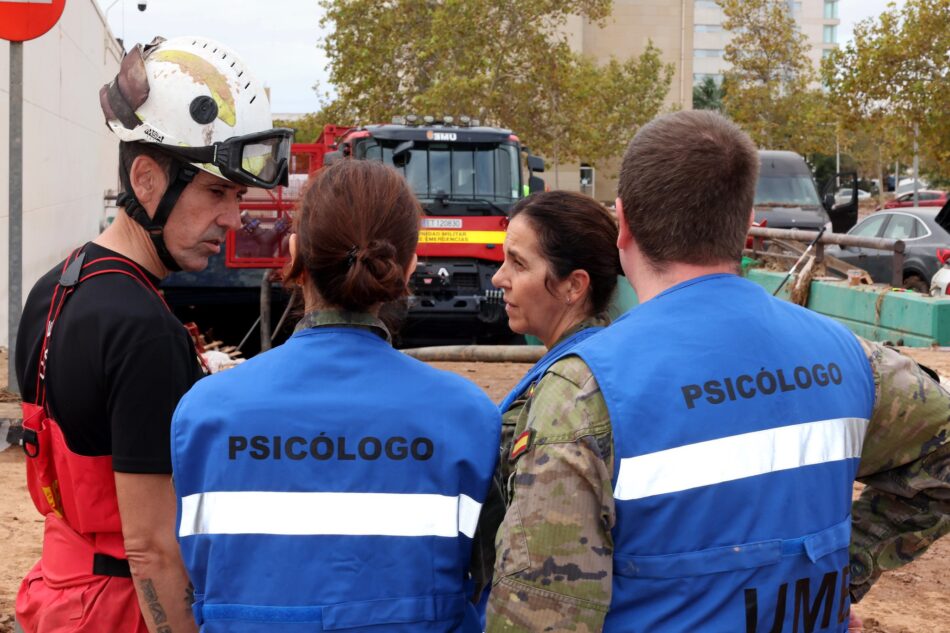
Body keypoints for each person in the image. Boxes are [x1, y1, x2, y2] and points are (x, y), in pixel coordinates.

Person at [486, 110, 950, 632]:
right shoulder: (850, 358)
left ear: (625, 224)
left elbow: (540, 618)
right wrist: (843, 573)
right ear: (744, 215)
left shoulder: (584, 392)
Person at [14, 36, 291, 633]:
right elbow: (151, 549)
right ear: (146, 179)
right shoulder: (142, 330)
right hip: (122, 611)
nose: (232, 218)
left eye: (239, 197)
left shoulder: (57, 285)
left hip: (60, 597)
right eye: (216, 192)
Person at [170, 159, 502, 632]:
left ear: (292, 254)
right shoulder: (468, 415)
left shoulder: (204, 412)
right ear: (408, 268)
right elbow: (490, 576)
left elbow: (194, 568)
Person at [471, 192, 619, 601]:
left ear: (573, 285)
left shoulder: (569, 393)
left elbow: (548, 580)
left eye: (518, 263)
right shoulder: (604, 359)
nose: (499, 278)